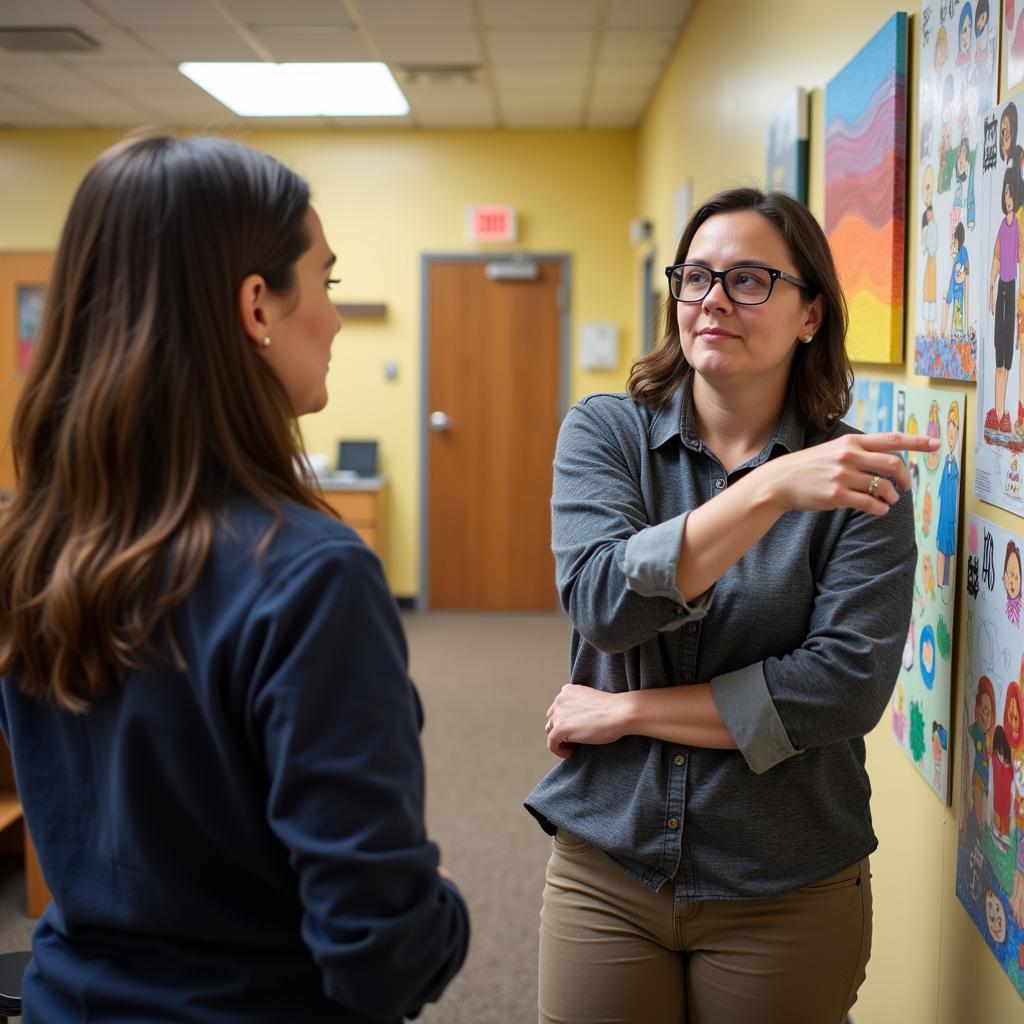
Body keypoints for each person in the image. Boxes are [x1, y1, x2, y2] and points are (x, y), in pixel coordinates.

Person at [0, 135, 468, 1023]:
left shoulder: (25, 545)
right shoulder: (311, 576)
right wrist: (436, 903)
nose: (331, 320)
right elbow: (384, 960)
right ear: (258, 305)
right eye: (324, 284)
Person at [525, 187, 939, 1024]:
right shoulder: (606, 434)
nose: (713, 299)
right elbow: (606, 603)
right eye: (696, 277)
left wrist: (629, 710)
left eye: (749, 280)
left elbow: (841, 690)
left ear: (811, 314)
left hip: (783, 876)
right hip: (611, 859)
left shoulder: (861, 478)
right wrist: (770, 492)